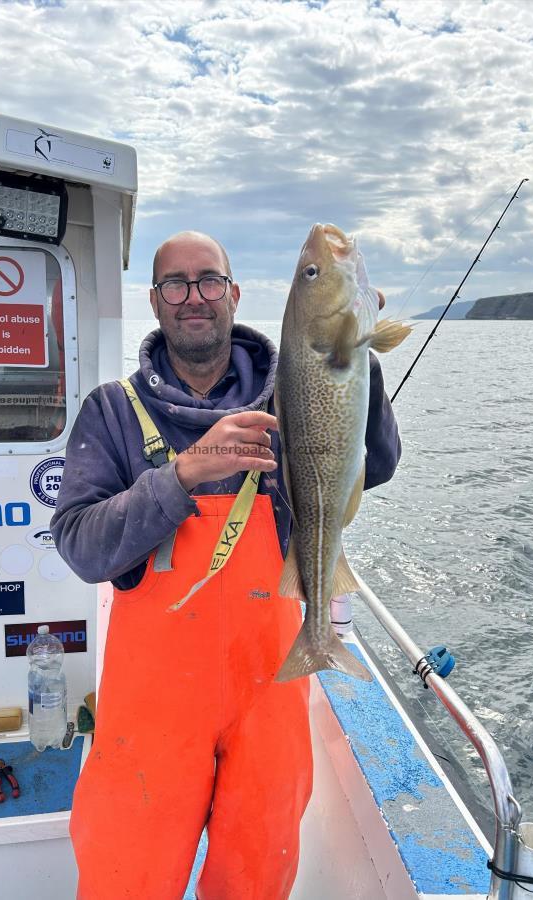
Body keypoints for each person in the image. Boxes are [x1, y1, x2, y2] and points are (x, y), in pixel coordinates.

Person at [51, 231, 402, 900]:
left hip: (269, 685)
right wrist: (180, 474)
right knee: (127, 874)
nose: (194, 297)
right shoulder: (113, 413)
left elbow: (375, 465)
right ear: (154, 301)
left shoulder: (289, 391)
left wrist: (355, 357)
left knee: (257, 870)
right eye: (175, 284)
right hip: (151, 711)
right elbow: (80, 544)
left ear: (235, 294)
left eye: (209, 280)